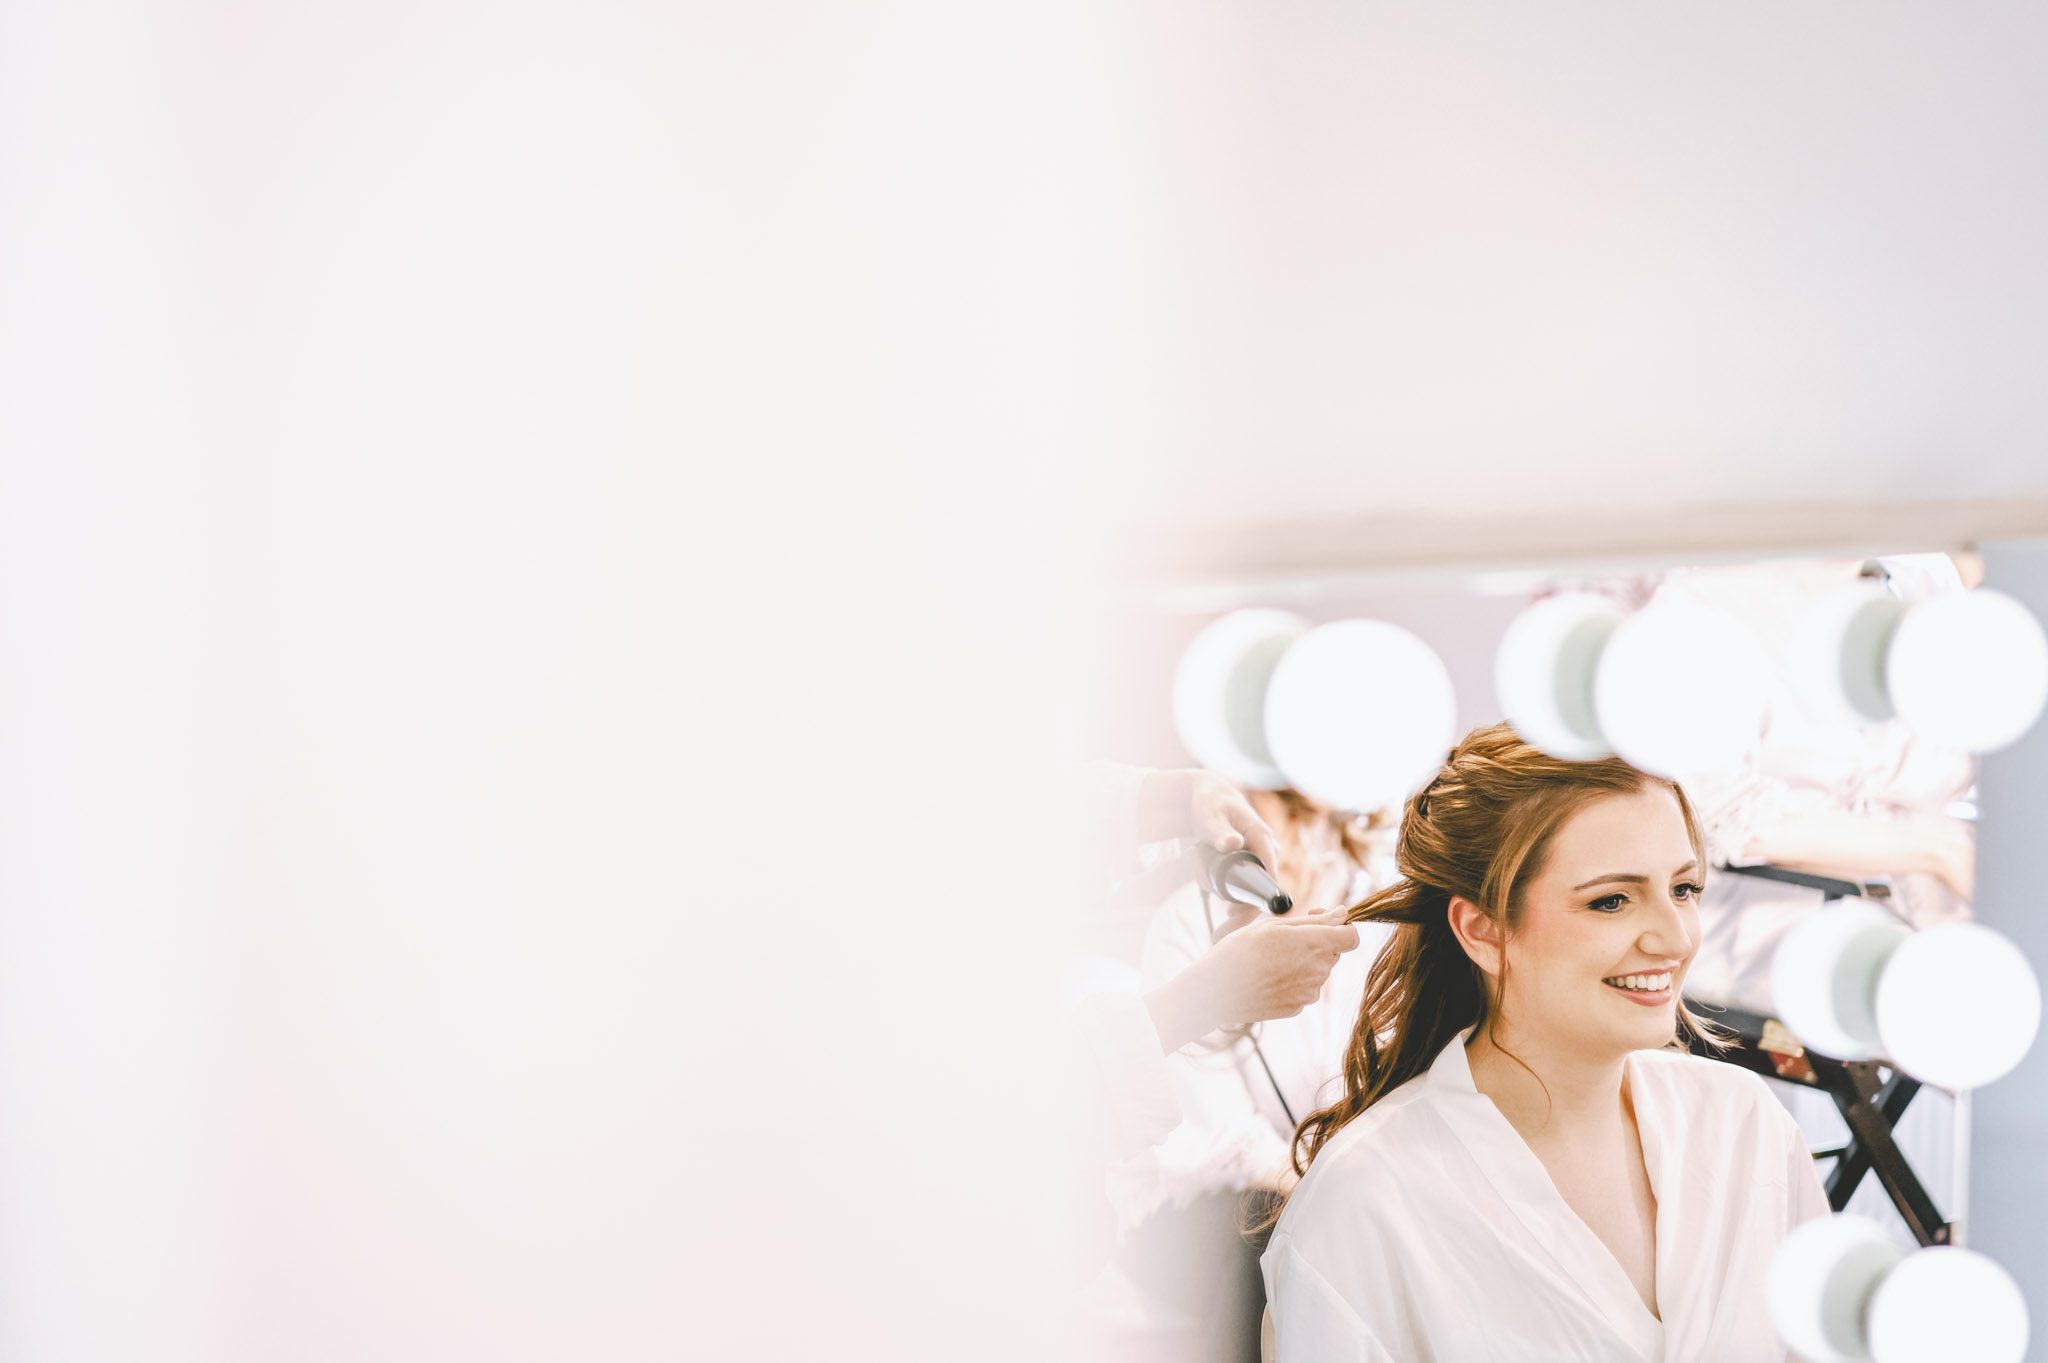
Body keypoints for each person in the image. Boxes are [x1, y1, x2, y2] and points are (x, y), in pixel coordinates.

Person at [1262, 725, 1829, 1362]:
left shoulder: (1743, 1128)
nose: (1673, 940)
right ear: (1483, 931)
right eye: (1611, 901)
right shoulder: (1366, 1203)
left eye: (1684, 890)